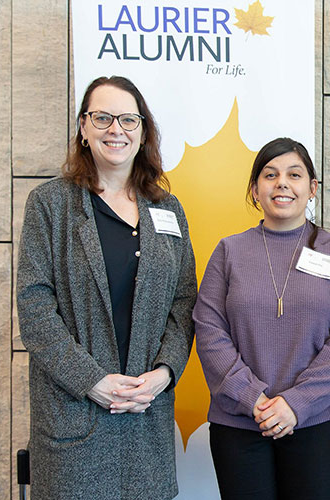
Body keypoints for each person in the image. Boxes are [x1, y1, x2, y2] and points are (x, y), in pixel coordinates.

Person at [17, 76, 197, 499]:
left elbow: (184, 300)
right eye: (102, 117)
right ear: (83, 127)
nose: (116, 129)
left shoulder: (166, 207)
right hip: (74, 414)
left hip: (145, 413)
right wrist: (92, 380)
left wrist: (163, 374)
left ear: (143, 131)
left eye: (128, 119)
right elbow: (34, 306)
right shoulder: (50, 204)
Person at [193, 137, 330, 500]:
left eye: (294, 174)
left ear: (312, 188)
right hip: (240, 422)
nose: (282, 183)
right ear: (255, 190)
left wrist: (296, 403)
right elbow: (209, 331)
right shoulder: (229, 251)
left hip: (321, 422)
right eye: (270, 175)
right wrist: (252, 398)